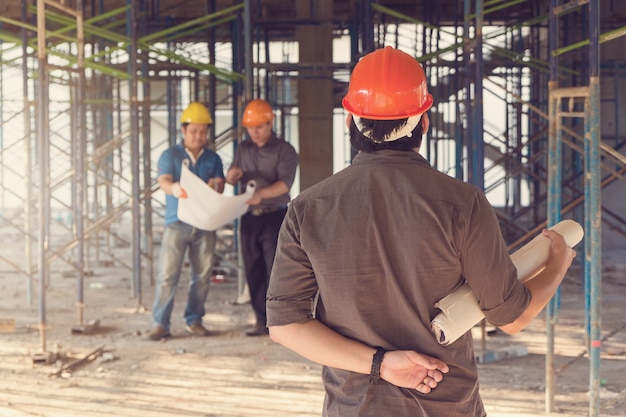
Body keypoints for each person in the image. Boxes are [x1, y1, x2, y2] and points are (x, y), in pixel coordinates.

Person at [266, 46, 576, 416]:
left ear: (349, 121)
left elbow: (286, 326)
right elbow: (511, 318)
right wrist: (556, 263)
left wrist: (380, 364)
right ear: (424, 121)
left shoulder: (308, 209)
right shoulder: (463, 204)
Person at [148, 102, 225, 341]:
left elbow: (220, 185)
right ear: (183, 130)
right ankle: (160, 323)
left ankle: (194, 320)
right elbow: (163, 180)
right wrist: (174, 188)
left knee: (201, 276)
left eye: (203, 132)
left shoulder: (213, 158)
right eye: (193, 131)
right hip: (177, 223)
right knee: (167, 275)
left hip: (204, 224)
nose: (198, 136)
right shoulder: (169, 155)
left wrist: (217, 186)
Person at [225, 99, 299, 336]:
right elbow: (232, 176)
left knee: (274, 270)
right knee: (253, 269)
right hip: (249, 218)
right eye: (250, 128)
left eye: (259, 127)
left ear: (270, 123)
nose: (254, 132)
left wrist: (260, 195)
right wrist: (231, 177)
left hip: (274, 217)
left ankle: (277, 322)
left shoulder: (284, 151)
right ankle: (260, 319)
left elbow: (284, 185)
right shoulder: (243, 149)